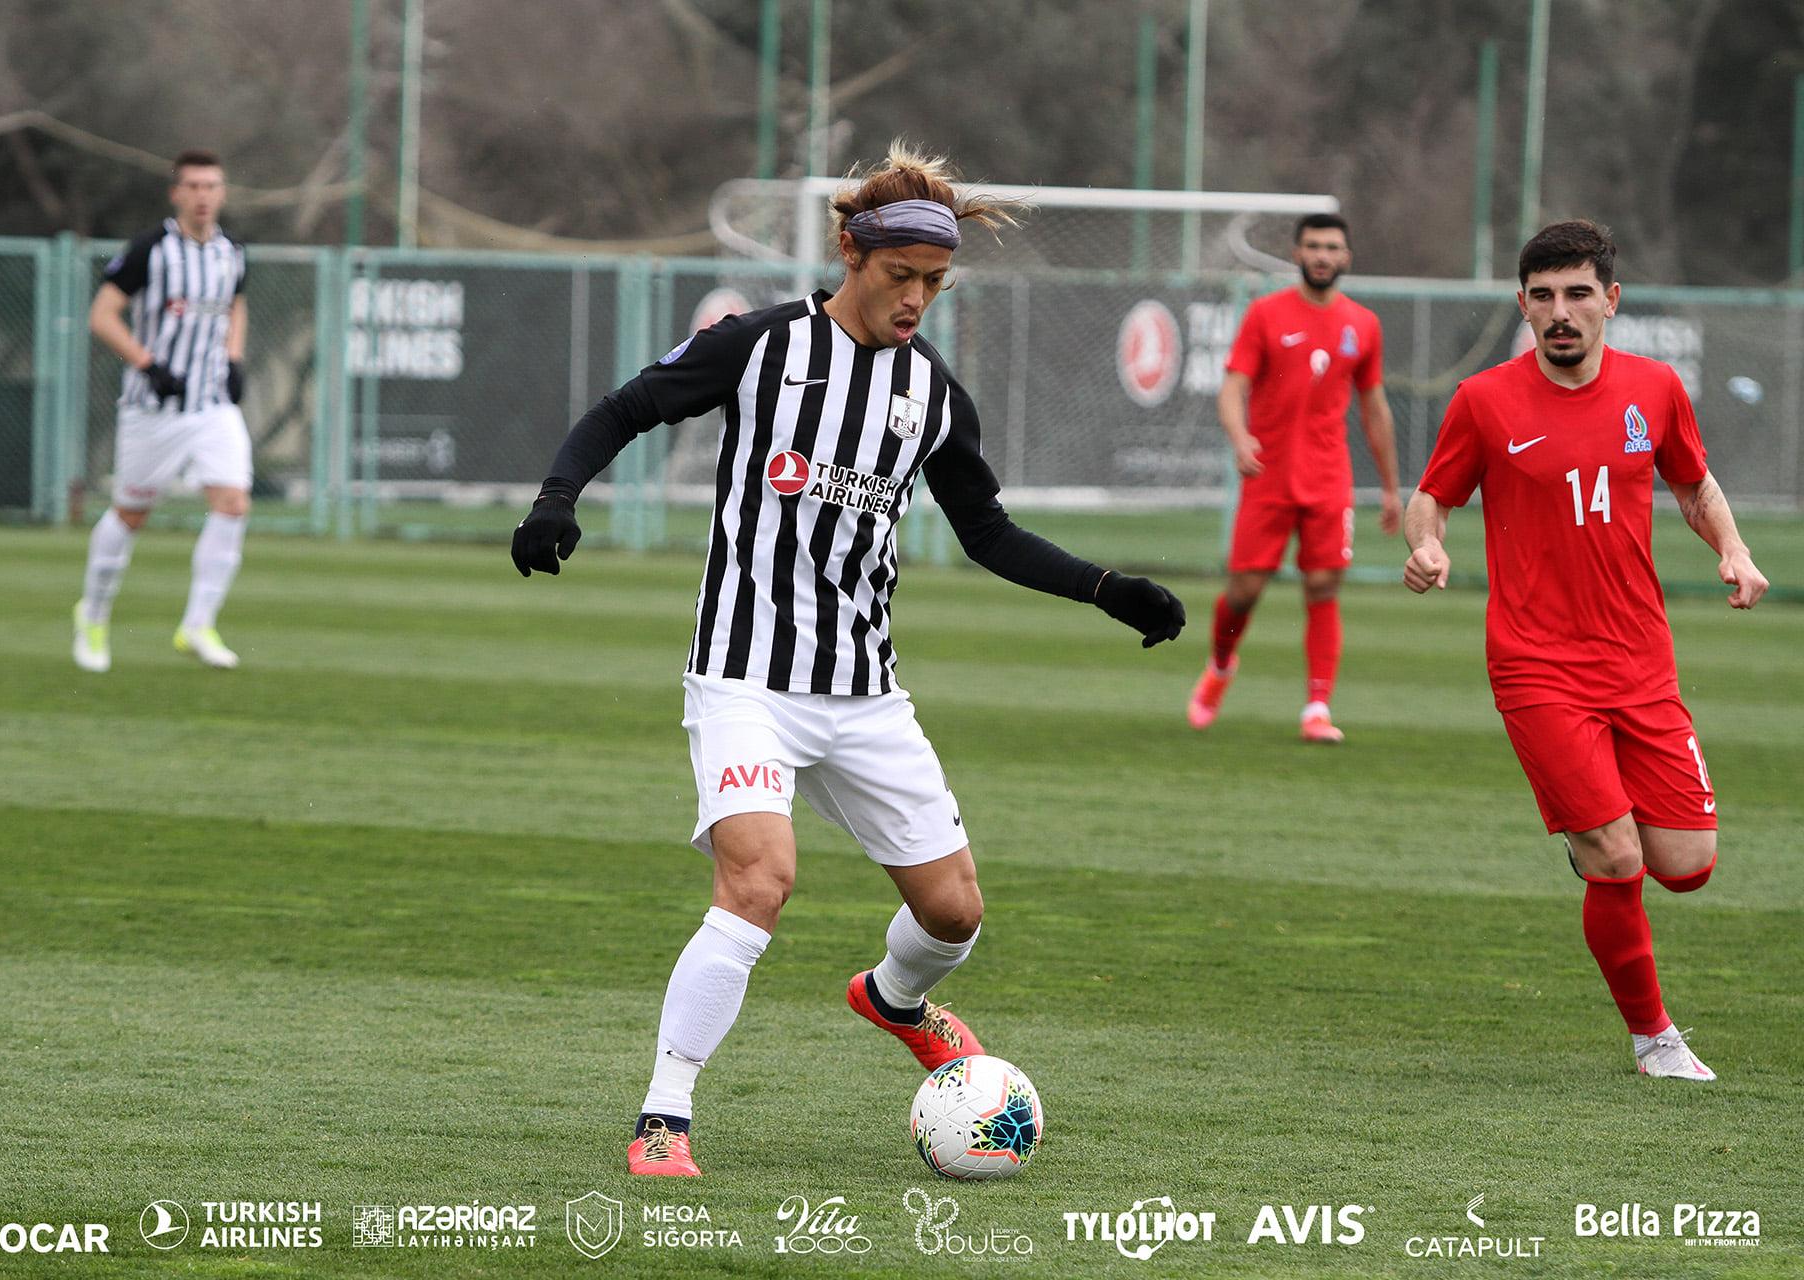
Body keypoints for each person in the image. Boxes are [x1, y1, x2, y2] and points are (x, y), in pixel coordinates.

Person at [509, 142, 1186, 1176]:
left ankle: (894, 997)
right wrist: (557, 498)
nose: (916, 299)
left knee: (954, 912)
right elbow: (624, 409)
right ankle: (664, 1116)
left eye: (935, 282)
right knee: (760, 880)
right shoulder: (758, 347)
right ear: (852, 255)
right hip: (744, 675)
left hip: (865, 692)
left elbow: (988, 531)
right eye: (900, 275)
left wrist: (1106, 588)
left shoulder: (933, 395)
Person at [1403, 219, 1768, 1082]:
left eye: (1576, 294)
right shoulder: (1485, 400)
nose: (1560, 312)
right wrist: (1427, 546)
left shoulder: (1656, 389)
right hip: (1536, 663)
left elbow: (1694, 484)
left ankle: (1589, 835)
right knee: (1618, 857)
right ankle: (1655, 1041)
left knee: (1687, 866)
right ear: (1522, 305)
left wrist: (1733, 548)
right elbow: (1433, 497)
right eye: (1543, 297)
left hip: (1640, 658)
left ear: (1611, 300)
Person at [1188, 213, 1401, 742]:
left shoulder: (1363, 324)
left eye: (1331, 247)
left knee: (1323, 585)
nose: (1322, 255)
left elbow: (1375, 409)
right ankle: (1220, 664)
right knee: (1244, 592)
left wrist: (1391, 488)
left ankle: (1317, 708)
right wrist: (1240, 437)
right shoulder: (1266, 314)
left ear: (1346, 256)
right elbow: (1232, 388)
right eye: (1313, 246)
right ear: (1297, 253)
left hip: (1329, 478)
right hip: (1269, 475)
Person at [73, 148, 251, 672]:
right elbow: (102, 316)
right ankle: (93, 613)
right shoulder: (150, 250)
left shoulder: (232, 252)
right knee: (132, 514)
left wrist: (234, 357)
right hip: (153, 408)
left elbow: (236, 304)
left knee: (233, 503)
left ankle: (197, 624)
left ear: (222, 193)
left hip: (212, 404)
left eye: (211, 186)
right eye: (193, 186)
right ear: (176, 193)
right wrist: (147, 364)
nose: (203, 196)